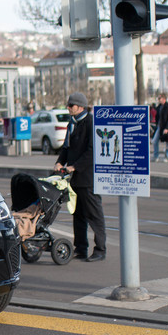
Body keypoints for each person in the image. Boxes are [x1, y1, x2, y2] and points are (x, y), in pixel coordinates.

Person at [55, 92, 106, 262]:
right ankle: (80, 248)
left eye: (71, 105)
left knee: (94, 214)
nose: (68, 108)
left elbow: (92, 151)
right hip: (73, 177)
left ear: (81, 107)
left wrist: (75, 166)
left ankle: (100, 249)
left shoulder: (90, 122)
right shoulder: (72, 123)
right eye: (68, 105)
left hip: (87, 176)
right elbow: (66, 147)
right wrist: (60, 162)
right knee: (77, 214)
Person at [152, 93, 168, 162]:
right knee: (154, 141)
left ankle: (167, 156)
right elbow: (157, 116)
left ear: (163, 99)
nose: (158, 100)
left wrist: (167, 128)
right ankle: (156, 156)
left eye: (159, 98)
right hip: (160, 127)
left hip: (167, 128)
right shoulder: (159, 107)